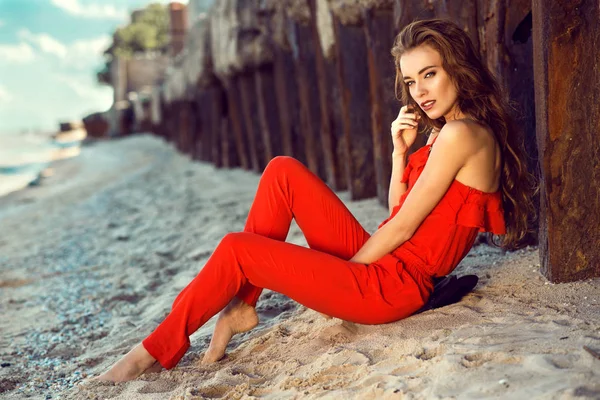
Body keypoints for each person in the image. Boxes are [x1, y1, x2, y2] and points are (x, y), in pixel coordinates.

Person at [94, 18, 536, 382]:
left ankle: (151, 351)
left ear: (456, 68)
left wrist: (345, 273)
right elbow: (398, 212)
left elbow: (401, 229)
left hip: (393, 288)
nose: (420, 91)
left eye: (430, 74)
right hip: (388, 264)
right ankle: (243, 306)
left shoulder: (462, 134)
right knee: (282, 170)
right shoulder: (445, 131)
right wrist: (400, 153)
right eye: (410, 80)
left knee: (237, 248)